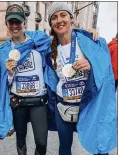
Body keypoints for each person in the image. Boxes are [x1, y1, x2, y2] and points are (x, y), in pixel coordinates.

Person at [0, 4, 99, 155]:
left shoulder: (40, 42)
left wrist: (85, 33)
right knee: (20, 140)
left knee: (41, 143)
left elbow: (62, 35)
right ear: (6, 24)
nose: (14, 26)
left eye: (17, 22)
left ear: (24, 23)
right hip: (18, 102)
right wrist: (10, 73)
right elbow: (2, 81)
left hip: (38, 101)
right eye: (11, 22)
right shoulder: (3, 50)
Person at [47, 2, 117, 155]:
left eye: (63, 15)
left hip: (88, 106)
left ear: (71, 19)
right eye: (54, 17)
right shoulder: (50, 48)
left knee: (99, 146)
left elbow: (106, 72)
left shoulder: (89, 41)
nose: (59, 20)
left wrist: (92, 65)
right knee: (64, 148)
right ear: (51, 24)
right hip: (63, 107)